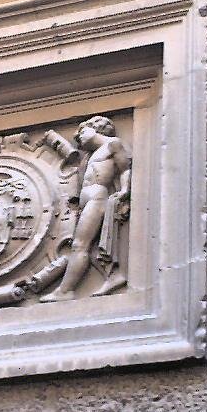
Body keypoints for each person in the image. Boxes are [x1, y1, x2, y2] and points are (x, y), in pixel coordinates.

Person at [40, 116, 131, 302]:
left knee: (80, 245)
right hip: (87, 200)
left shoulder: (112, 144)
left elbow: (125, 169)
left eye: (82, 132)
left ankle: (66, 291)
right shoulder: (91, 155)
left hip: (97, 197)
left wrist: (125, 191)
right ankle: (113, 276)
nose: (78, 137)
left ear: (97, 128)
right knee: (89, 245)